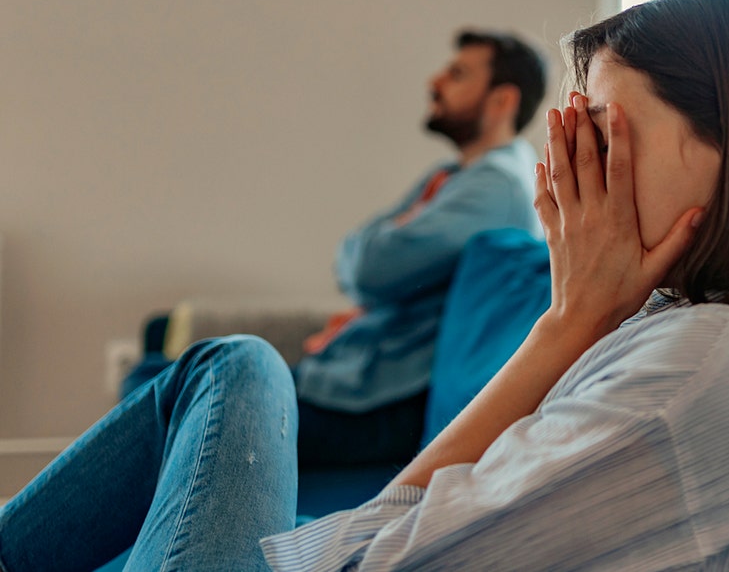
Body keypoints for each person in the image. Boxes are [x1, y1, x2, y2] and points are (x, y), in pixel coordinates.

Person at [0, 0, 729, 571]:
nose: (575, 175)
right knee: (227, 370)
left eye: (604, 135)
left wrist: (569, 326)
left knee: (233, 366)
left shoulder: (689, 381)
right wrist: (575, 324)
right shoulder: (715, 327)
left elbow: (372, 554)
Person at [121, 29, 548, 466]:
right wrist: (373, 255)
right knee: (157, 372)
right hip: (354, 380)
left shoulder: (497, 187)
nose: (434, 82)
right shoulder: (453, 176)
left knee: (154, 387)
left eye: (457, 74)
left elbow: (366, 268)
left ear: (502, 101)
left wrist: (377, 252)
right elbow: (356, 257)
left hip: (378, 402)